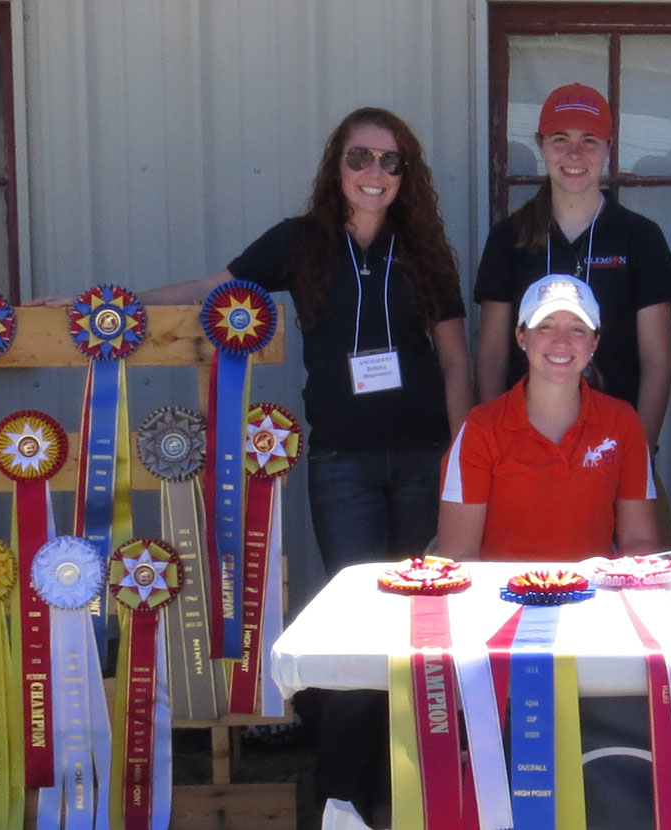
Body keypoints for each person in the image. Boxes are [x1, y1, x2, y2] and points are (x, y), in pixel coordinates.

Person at [134, 106, 470, 819]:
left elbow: (454, 360)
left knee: (420, 625)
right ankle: (342, 799)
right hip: (344, 465)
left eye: (390, 161)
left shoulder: (425, 251)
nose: (374, 173)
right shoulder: (300, 243)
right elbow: (210, 288)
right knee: (360, 621)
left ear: (406, 174)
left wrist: (460, 456)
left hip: (422, 460)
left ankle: (408, 793)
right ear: (336, 166)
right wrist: (109, 309)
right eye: (360, 158)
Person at [473, 83, 671, 443]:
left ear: (609, 147)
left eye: (589, 140)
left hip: (613, 442)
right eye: (560, 139)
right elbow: (492, 355)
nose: (574, 153)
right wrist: (496, 444)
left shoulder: (641, 237)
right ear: (541, 145)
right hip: (525, 444)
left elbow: (657, 359)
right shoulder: (509, 238)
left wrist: (640, 450)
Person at [439, 275, 658, 560]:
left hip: (594, 588)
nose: (561, 342)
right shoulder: (480, 428)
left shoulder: (623, 422)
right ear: (521, 337)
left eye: (577, 329)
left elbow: (639, 542)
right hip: (504, 589)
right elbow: (457, 556)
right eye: (546, 326)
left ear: (595, 342)